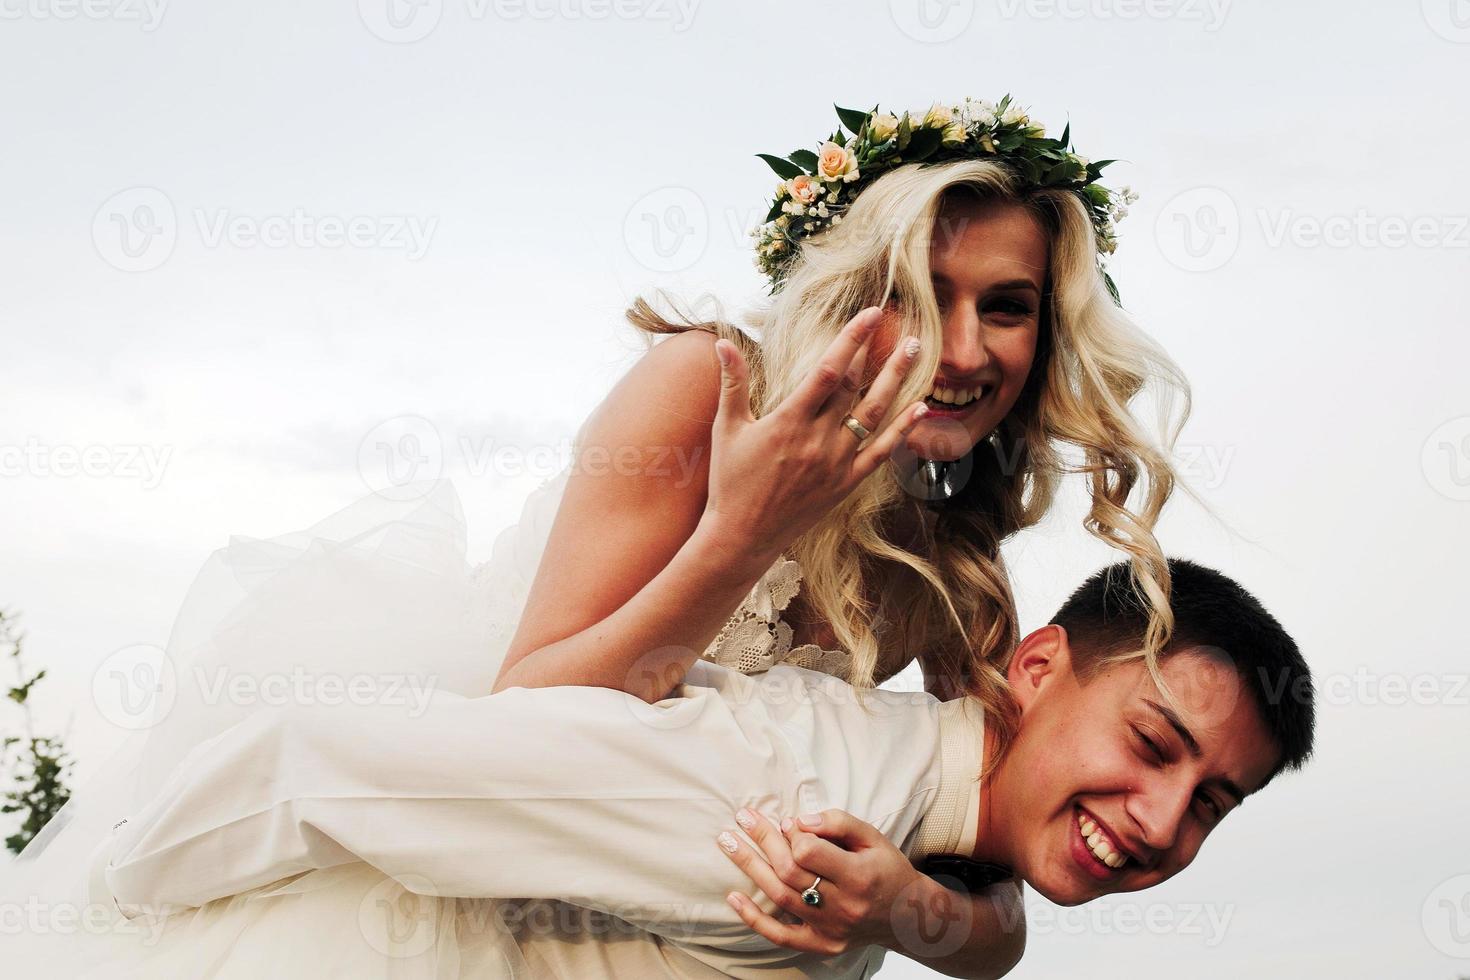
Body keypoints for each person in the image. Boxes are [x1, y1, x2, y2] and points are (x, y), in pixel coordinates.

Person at [0, 95, 1193, 976]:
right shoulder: (701, 389)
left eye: (1011, 307)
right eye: (930, 291)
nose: (969, 345)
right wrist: (742, 528)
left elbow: (998, 908)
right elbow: (535, 704)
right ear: (853, 287)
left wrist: (891, 910)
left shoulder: (954, 556)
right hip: (470, 892)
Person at [74, 558, 1313, 980]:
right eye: (1153, 745)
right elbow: (314, 764)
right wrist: (101, 912)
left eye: (1212, 799)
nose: (1159, 820)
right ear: (1038, 668)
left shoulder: (927, 825)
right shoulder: (787, 800)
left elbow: (994, 933)